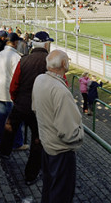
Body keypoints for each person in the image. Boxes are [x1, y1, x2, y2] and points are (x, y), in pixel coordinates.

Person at [0, 31, 53, 186]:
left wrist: (16, 100)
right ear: (46, 44)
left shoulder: (24, 60)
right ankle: (30, 175)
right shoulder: (50, 62)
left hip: (21, 104)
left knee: (10, 126)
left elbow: (14, 85)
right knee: (37, 141)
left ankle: (4, 151)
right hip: (40, 109)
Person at [32, 50, 84, 203]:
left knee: (49, 189)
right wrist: (81, 133)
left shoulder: (40, 79)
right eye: (67, 59)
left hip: (47, 146)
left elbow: (35, 108)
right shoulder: (60, 91)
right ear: (63, 64)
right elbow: (69, 133)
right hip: (61, 153)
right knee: (61, 195)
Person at [0, 33, 25, 152]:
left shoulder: (0, 54)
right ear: (15, 42)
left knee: (0, 119)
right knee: (15, 121)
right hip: (11, 94)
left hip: (1, 91)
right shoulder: (15, 57)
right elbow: (18, 77)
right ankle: (17, 143)